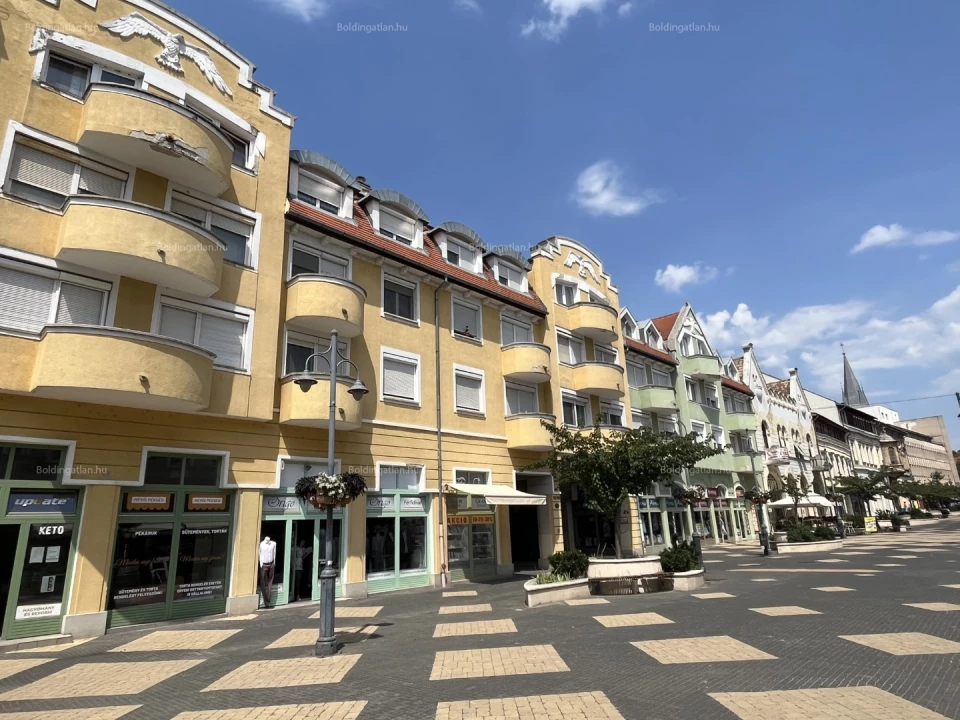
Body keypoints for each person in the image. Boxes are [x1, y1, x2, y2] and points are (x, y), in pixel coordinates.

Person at [258, 536, 277, 608]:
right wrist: (261, 565)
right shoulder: (261, 544)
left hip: (271, 564)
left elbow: (274, 553)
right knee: (263, 582)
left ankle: (268, 600)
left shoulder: (273, 544)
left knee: (270, 581)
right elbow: (259, 554)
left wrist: (274, 563)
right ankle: (266, 601)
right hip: (264, 565)